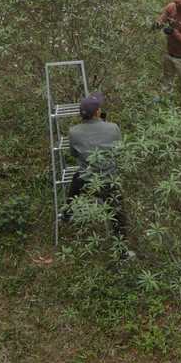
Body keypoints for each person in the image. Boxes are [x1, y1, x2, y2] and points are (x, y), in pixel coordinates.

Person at [63, 91, 131, 252]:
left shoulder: (74, 132)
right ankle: (122, 251)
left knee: (77, 177)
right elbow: (120, 151)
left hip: (87, 183)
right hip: (108, 184)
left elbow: (74, 154)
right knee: (119, 215)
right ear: (98, 112)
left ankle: (68, 209)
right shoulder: (112, 128)